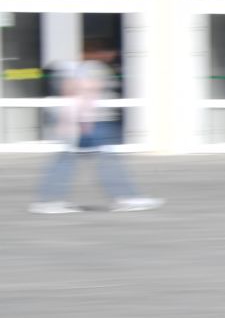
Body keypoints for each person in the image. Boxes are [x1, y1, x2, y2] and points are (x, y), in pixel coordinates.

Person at [29, 46, 161, 214]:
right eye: (106, 51)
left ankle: (49, 201)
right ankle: (126, 197)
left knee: (70, 160)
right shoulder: (85, 69)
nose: (111, 54)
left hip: (84, 123)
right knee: (105, 161)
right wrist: (84, 123)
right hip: (89, 123)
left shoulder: (82, 68)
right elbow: (78, 94)